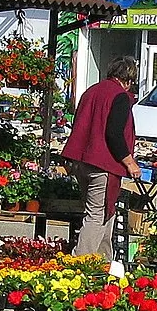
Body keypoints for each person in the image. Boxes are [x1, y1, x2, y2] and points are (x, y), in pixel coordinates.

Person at [60, 55, 142, 258]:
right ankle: (80, 264)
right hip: (102, 164)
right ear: (128, 79)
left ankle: (104, 264)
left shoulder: (91, 91)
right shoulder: (119, 96)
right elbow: (114, 134)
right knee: (96, 216)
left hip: (81, 161)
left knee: (107, 213)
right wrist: (130, 163)